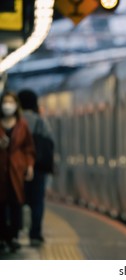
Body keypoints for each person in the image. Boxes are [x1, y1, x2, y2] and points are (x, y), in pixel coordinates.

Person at [18, 89, 54, 246]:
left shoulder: (16, 121)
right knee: (37, 202)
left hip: (17, 169)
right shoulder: (41, 122)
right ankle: (35, 233)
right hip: (38, 169)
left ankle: (15, 231)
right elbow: (50, 143)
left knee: (16, 201)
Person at [0, 91, 35, 252]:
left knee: (15, 204)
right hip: (1, 170)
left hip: (16, 170)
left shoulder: (22, 125)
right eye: (4, 102)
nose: (7, 105)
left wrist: (29, 166)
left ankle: (13, 236)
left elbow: (29, 148)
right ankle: (3, 237)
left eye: (10, 102)